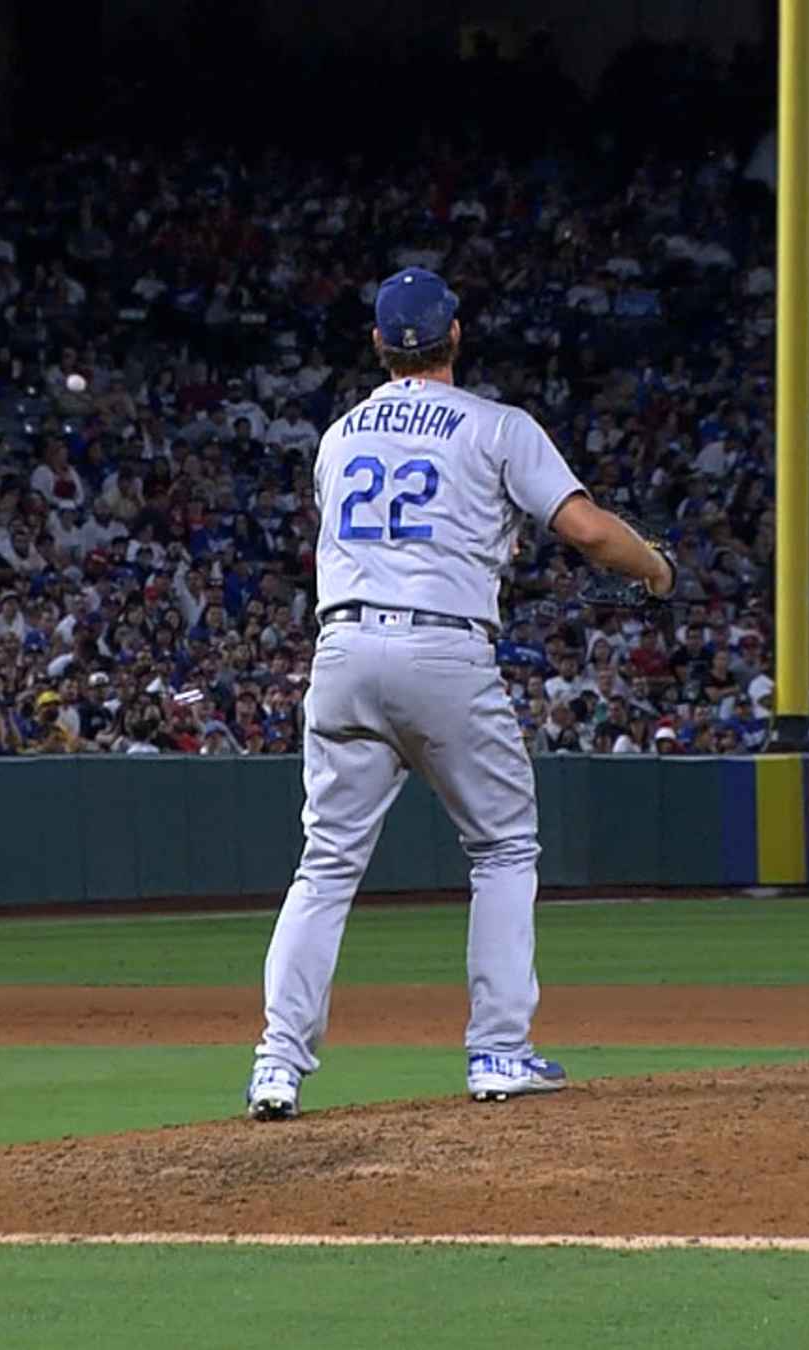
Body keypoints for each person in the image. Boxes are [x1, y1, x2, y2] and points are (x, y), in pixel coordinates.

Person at [245, 268, 674, 1121]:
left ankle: (276, 1066)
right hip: (442, 649)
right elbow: (586, 530)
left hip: (342, 650)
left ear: (378, 344)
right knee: (505, 848)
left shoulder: (337, 437)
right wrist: (656, 569)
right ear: (457, 334)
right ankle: (499, 1051)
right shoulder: (497, 426)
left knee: (325, 866)